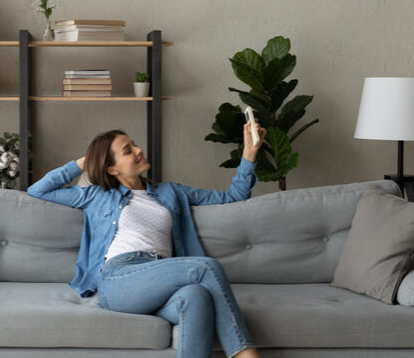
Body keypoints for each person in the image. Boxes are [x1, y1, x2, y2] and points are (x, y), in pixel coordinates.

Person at [27, 120, 266, 358]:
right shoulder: (96, 195)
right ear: (112, 169)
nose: (139, 150)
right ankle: (245, 354)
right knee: (205, 267)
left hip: (161, 276)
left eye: (135, 145)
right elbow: (38, 190)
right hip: (120, 277)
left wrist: (249, 153)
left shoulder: (172, 192)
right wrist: (83, 163)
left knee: (197, 296)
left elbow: (234, 196)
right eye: (128, 150)